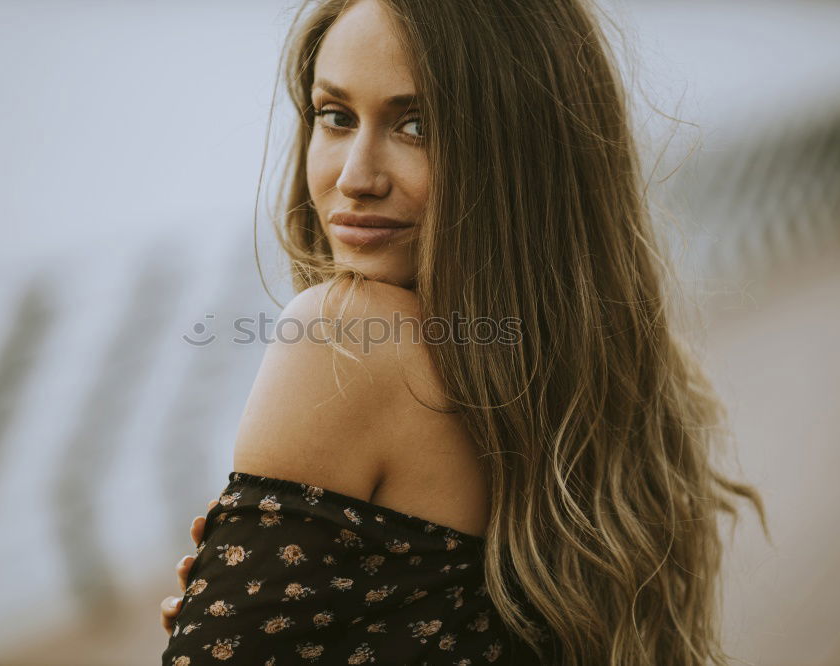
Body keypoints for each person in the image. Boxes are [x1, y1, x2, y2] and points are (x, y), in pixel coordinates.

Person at [160, 0, 767, 664]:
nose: (355, 179)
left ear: (525, 154)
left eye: (418, 125)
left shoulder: (341, 337)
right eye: (335, 117)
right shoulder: (608, 394)